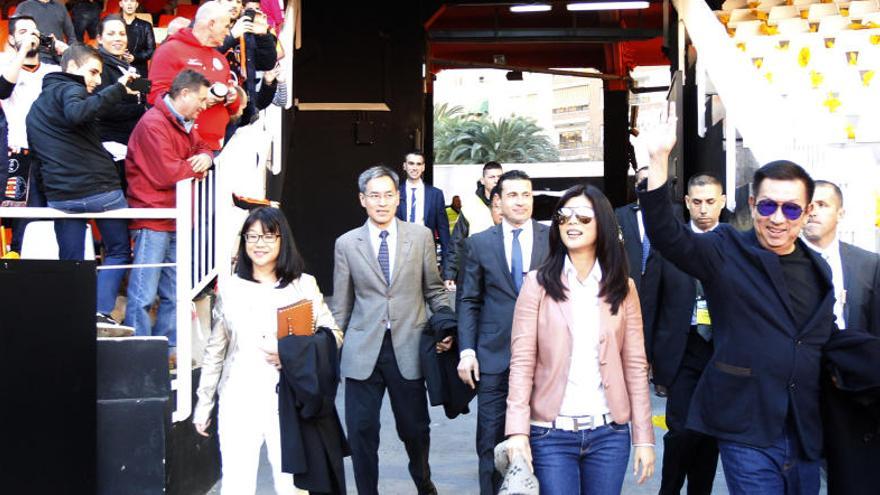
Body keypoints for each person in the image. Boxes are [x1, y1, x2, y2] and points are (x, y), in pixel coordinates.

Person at [639, 106, 836, 495]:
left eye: (791, 208)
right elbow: (668, 237)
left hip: (803, 428)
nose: (777, 218)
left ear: (807, 212)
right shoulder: (725, 248)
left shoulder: (819, 269)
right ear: (751, 206)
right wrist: (659, 160)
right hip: (746, 427)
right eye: (767, 206)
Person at [504, 183, 655, 493]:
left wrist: (643, 437)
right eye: (564, 216)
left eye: (583, 217)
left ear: (603, 224)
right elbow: (521, 363)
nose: (571, 223)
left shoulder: (623, 288)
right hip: (551, 435)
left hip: (609, 435)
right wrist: (517, 432)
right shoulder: (537, 284)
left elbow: (636, 366)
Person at [194, 207, 341, 495]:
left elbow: (334, 335)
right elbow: (216, 350)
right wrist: (204, 403)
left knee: (291, 487)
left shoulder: (304, 285)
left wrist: (291, 352)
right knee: (236, 484)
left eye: (268, 236)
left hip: (287, 401)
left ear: (282, 240)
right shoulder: (231, 288)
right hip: (238, 399)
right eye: (252, 237)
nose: (259, 244)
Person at [331, 165, 452, 495]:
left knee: (415, 429)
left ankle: (422, 480)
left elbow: (435, 290)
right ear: (362, 200)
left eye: (388, 195)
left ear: (398, 198)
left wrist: (446, 326)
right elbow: (340, 306)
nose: (381, 202)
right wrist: (329, 351)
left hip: (409, 347)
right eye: (374, 196)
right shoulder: (346, 244)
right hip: (362, 349)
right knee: (361, 430)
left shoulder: (420, 236)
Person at [26, 42, 140, 335]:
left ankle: (73, 319)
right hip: (101, 192)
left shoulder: (36, 108)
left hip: (62, 199)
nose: (98, 80)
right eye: (93, 72)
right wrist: (118, 91)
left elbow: (38, 159)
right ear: (73, 68)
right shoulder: (71, 89)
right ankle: (100, 313)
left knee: (72, 262)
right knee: (117, 251)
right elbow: (78, 113)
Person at [457, 170, 549, 495]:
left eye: (526, 194)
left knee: (545, 443)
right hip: (494, 358)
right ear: (498, 201)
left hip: (545, 358)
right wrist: (467, 350)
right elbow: (468, 299)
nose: (521, 201)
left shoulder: (552, 239)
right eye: (513, 195)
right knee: (491, 443)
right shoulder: (479, 244)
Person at [124, 69, 213, 356]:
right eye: (200, 99)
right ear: (184, 94)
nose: (204, 105)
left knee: (174, 293)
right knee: (143, 294)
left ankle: (167, 353)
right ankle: (137, 355)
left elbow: (202, 148)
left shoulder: (183, 121)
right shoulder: (153, 124)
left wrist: (205, 157)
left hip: (174, 217)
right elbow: (166, 173)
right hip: (152, 218)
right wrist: (197, 166)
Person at [802, 180, 880, 495]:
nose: (814, 213)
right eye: (810, 205)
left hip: (851, 391)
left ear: (841, 212)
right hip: (801, 385)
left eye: (823, 205)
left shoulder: (867, 264)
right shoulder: (784, 263)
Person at [652, 174, 725, 495]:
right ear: (687, 203)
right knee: (679, 430)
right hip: (680, 352)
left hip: (722, 354)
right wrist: (647, 357)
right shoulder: (669, 245)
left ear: (722, 201)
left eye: (710, 201)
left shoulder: (738, 246)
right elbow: (650, 304)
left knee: (709, 433)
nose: (704, 209)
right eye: (697, 202)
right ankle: (668, 490)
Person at [0, 15, 60, 257]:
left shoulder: (53, 70)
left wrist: (63, 49)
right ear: (12, 38)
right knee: (26, 220)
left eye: (34, 31)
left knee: (56, 218)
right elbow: (3, 90)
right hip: (20, 153)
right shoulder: (5, 64)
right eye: (23, 31)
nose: (31, 35)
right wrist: (22, 51)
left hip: (53, 156)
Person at [148, 1, 241, 151]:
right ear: (211, 24)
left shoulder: (220, 59)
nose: (228, 32)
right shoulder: (170, 51)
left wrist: (233, 97)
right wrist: (199, 100)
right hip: (181, 147)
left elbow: (233, 108)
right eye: (226, 26)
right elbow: (155, 96)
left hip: (214, 147)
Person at [615, 165, 678, 371]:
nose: (647, 185)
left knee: (659, 323)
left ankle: (658, 370)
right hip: (630, 279)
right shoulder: (621, 214)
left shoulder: (673, 213)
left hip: (661, 278)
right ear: (635, 185)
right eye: (643, 181)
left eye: (652, 181)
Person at [94, 14, 147, 192]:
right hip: (110, 146)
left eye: (122, 34)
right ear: (100, 39)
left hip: (134, 144)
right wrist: (141, 110)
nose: (118, 38)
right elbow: (104, 108)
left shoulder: (132, 68)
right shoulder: (97, 67)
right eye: (111, 34)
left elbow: (144, 95)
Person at [442, 161, 502, 291]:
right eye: (492, 177)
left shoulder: (510, 203)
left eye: (499, 177)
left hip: (503, 271)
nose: (496, 180)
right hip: (475, 270)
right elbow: (457, 242)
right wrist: (450, 274)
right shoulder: (470, 206)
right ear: (482, 180)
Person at [217, 0, 277, 126]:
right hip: (214, 107)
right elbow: (204, 55)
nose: (234, 5)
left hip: (239, 110)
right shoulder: (205, 23)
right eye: (229, 0)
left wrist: (263, 36)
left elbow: (267, 64)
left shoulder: (246, 29)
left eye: (238, 1)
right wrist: (232, 36)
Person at [395, 151, 450, 262]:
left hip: (426, 251)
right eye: (411, 163)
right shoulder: (395, 192)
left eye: (418, 164)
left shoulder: (435, 194)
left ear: (423, 167)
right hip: (399, 251)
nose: (415, 168)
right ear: (404, 166)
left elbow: (443, 229)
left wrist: (447, 264)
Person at [120, 0, 156, 77]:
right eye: (126, 1)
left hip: (139, 70)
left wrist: (135, 57)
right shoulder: (114, 24)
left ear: (136, 4)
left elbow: (151, 51)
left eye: (132, 1)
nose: (129, 4)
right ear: (121, 4)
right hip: (117, 68)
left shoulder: (146, 26)